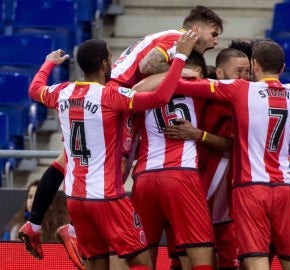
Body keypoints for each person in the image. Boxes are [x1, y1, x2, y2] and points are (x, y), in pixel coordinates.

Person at [18, 5, 223, 269]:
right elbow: (149, 66)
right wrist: (182, 67)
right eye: (214, 33)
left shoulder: (64, 91)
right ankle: (71, 230)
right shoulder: (177, 38)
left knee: (69, 158)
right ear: (196, 29)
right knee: (114, 163)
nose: (216, 40)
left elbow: (35, 89)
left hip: (100, 99)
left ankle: (46, 225)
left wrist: (47, 63)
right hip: (117, 96)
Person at [167, 39, 290, 270]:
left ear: (255, 65)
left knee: (255, 258)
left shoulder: (241, 90)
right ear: (282, 68)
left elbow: (180, 86)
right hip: (284, 186)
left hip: (251, 188)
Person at [164, 48, 251, 270]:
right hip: (192, 185)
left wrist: (199, 135)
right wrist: (184, 72)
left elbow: (236, 147)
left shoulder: (246, 103)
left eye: (248, 71)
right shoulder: (200, 93)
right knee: (182, 259)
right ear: (220, 74)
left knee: (227, 260)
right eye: (238, 71)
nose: (244, 76)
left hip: (224, 195)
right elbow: (167, 82)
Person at [131, 51, 215, 270]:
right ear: (198, 70)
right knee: (201, 255)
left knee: (143, 256)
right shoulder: (201, 84)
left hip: (144, 178)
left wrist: (174, 72)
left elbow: (134, 90)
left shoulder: (151, 86)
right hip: (181, 175)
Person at [2, 180, 68, 241]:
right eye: (30, 197)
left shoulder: (59, 229)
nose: (32, 200)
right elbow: (4, 250)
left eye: (37, 197)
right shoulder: (15, 226)